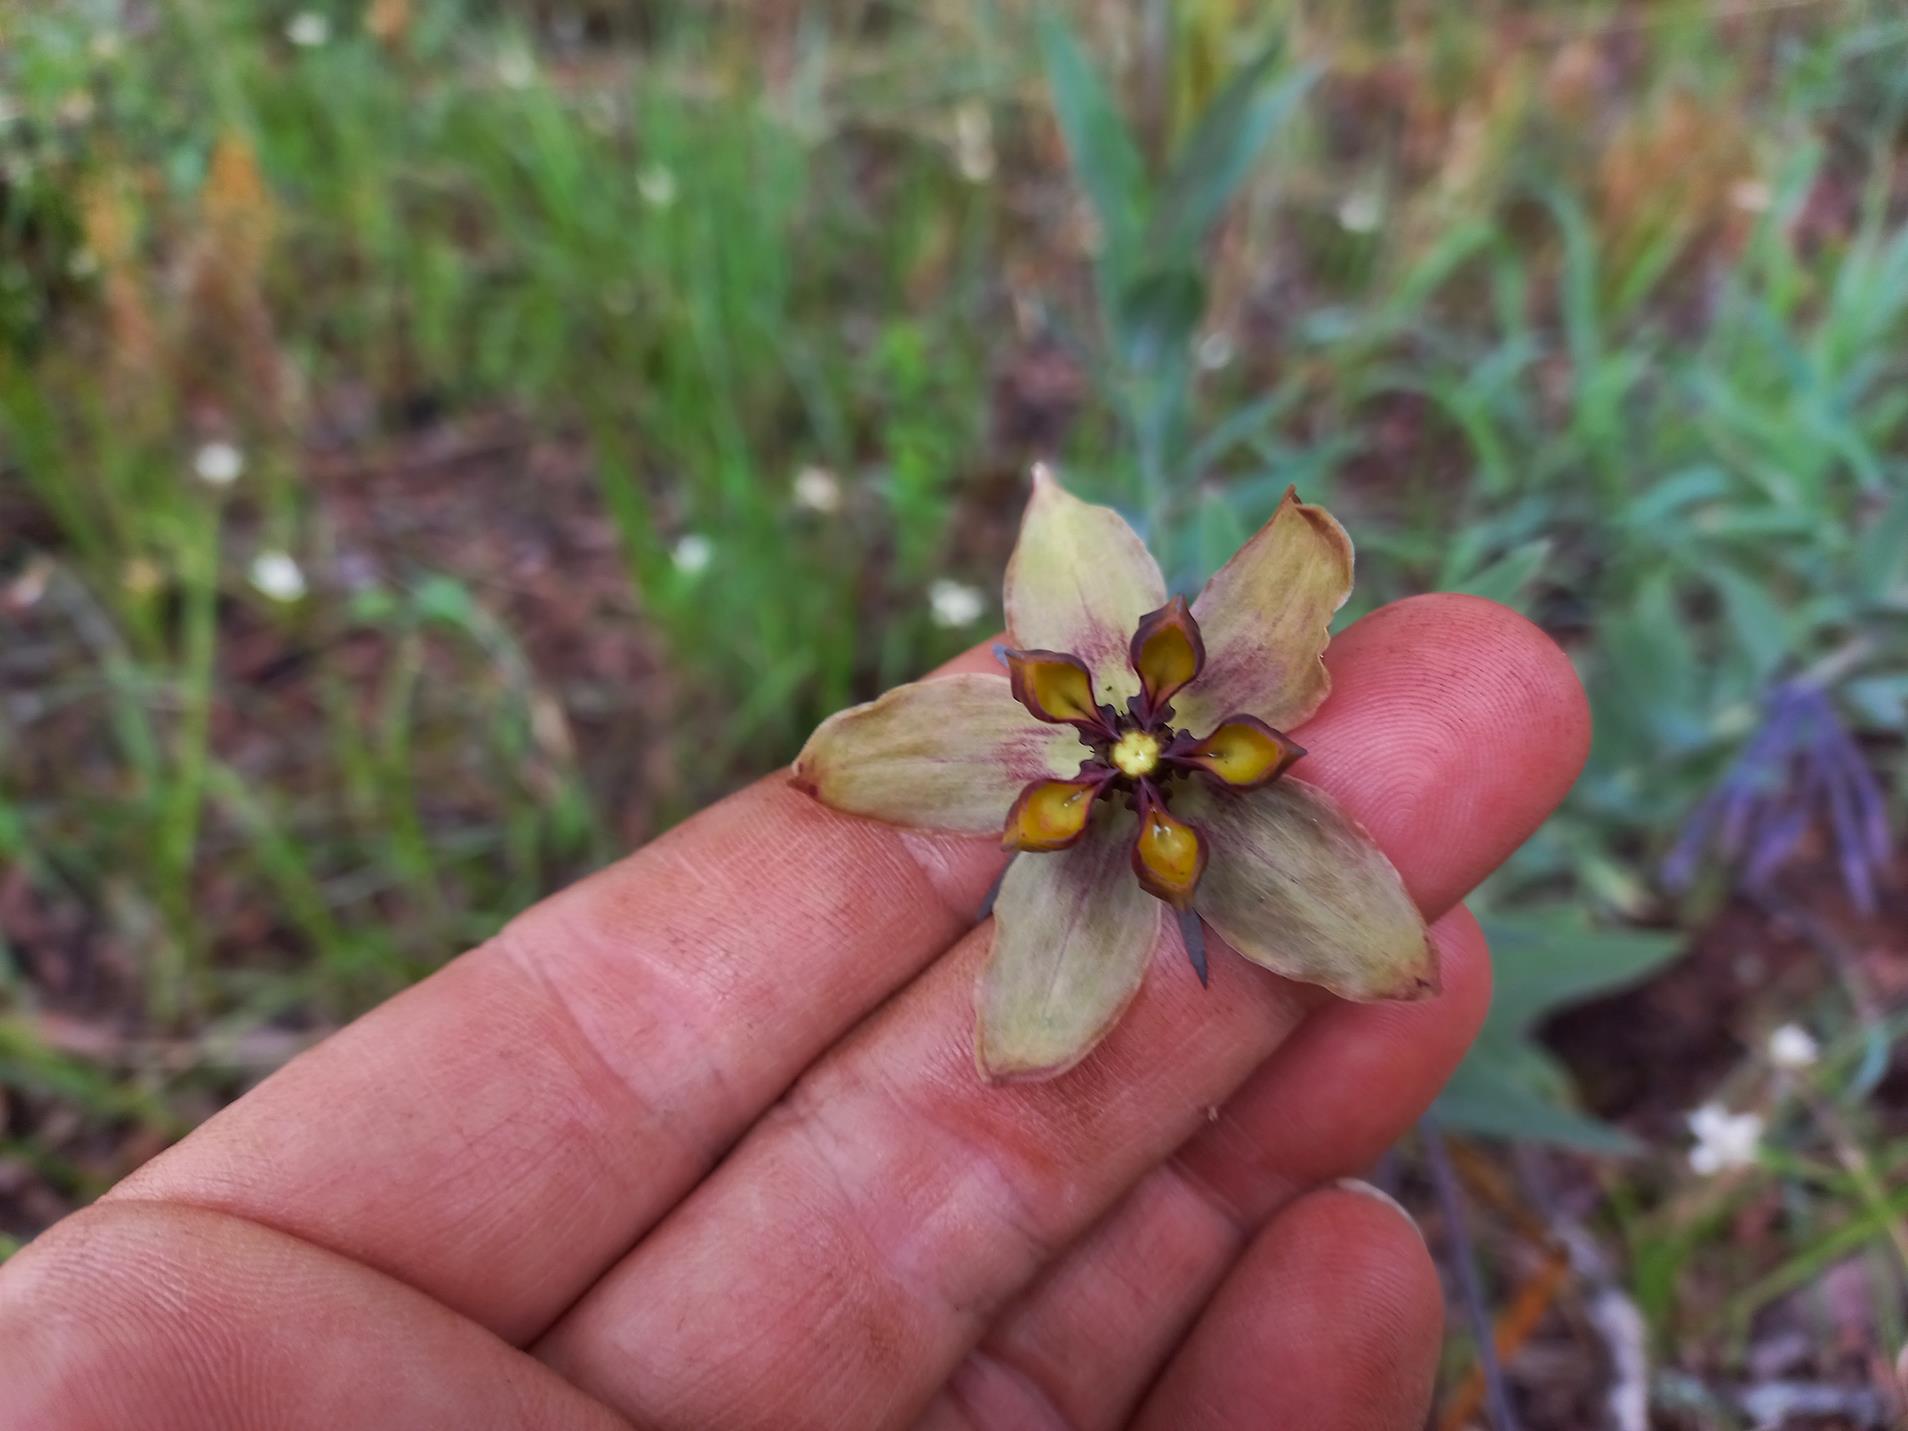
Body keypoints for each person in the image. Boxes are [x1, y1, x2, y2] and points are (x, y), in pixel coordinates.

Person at [0, 593, 1589, 1430]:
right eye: (1105, 737)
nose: (1115, 752)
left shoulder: (1185, 732)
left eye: (1130, 738)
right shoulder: (1045, 773)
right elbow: (960, 837)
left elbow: (1283, 600)